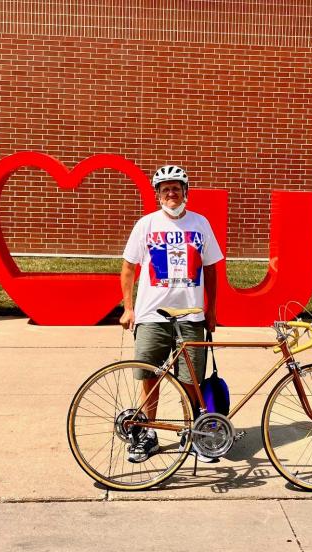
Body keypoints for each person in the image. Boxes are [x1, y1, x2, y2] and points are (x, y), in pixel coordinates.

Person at [119, 165, 223, 464]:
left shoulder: (200, 223)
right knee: (149, 377)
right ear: (158, 195)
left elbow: (212, 268)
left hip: (191, 316)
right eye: (165, 189)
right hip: (152, 315)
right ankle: (147, 434)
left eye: (176, 188)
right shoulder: (146, 225)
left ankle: (191, 435)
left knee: (190, 381)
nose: (171, 193)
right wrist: (128, 307)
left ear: (185, 192)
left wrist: (211, 310)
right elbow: (128, 268)